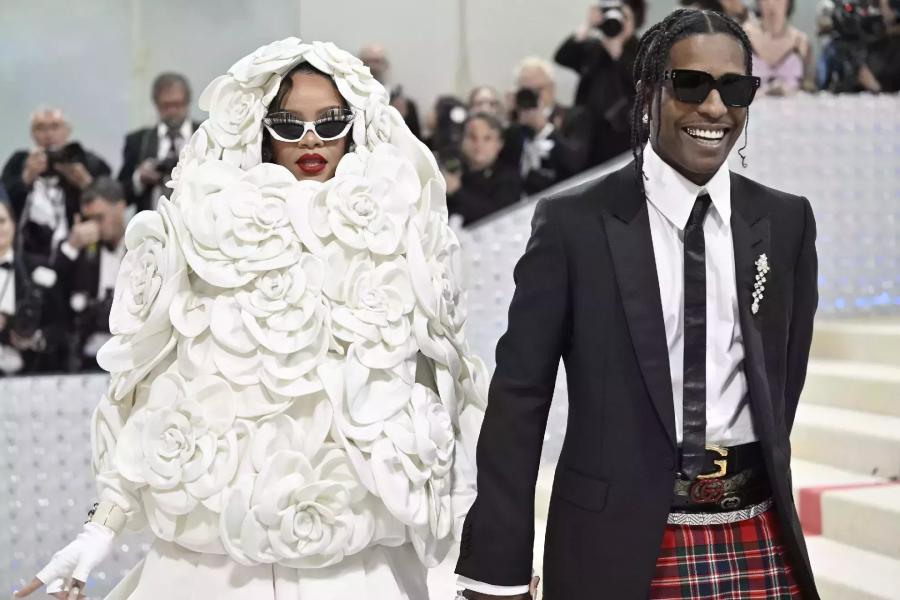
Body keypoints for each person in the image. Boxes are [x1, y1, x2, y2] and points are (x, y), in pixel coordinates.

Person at [15, 38, 486, 600]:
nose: (310, 139)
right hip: (216, 563)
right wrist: (101, 526)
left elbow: (437, 406)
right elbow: (157, 396)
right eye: (288, 124)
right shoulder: (211, 235)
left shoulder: (393, 242)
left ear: (355, 125)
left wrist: (488, 549)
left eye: (330, 121)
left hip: (354, 560)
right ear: (261, 129)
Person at [457, 8, 819, 599]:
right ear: (649, 92)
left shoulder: (786, 221)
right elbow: (520, 400)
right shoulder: (573, 224)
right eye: (691, 84)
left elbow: (785, 381)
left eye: (734, 88)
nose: (714, 107)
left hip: (757, 529)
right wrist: (497, 571)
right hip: (613, 544)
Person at [1, 108, 111, 268]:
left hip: (79, 255)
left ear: (67, 131)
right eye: (41, 128)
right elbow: (4, 202)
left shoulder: (84, 160)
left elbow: (113, 201)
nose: (48, 134)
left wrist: (85, 183)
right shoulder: (19, 162)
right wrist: (26, 178)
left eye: (55, 126)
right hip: (28, 255)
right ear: (32, 134)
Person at [554, 1, 646, 167]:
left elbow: (642, 82)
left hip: (623, 134)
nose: (618, 19)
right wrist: (587, 25)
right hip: (589, 132)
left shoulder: (641, 50)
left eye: (624, 16)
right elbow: (562, 57)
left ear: (634, 21)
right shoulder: (595, 48)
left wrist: (618, 53)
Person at [53, 177, 127, 372]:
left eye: (100, 218)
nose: (94, 226)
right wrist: (72, 245)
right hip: (89, 354)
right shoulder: (82, 250)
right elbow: (52, 286)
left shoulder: (144, 245)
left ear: (120, 208)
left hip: (132, 350)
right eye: (89, 219)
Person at [503, 57, 593, 195]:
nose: (532, 97)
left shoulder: (575, 117)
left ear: (552, 88)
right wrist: (509, 118)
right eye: (525, 91)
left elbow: (575, 162)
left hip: (564, 197)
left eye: (538, 90)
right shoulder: (514, 129)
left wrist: (544, 128)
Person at [118, 73, 201, 213]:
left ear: (187, 102)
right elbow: (119, 195)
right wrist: (139, 178)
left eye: (178, 104)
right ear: (156, 104)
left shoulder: (206, 134)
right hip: (152, 221)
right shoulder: (138, 141)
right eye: (166, 106)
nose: (172, 111)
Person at [0, 193, 62, 375]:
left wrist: (35, 339)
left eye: (2, 221)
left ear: (13, 225)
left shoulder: (37, 267)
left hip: (33, 369)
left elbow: (60, 322)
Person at [447, 113, 522, 227]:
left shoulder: (509, 177)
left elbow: (499, 216)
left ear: (499, 144)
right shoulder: (455, 172)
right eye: (472, 137)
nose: (479, 144)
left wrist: (458, 192)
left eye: (487, 138)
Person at [744, 0, 813, 94]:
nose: (771, 3)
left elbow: (810, 88)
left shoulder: (801, 42)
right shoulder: (745, 36)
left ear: (788, 2)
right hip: (752, 101)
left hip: (792, 102)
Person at [360, 42, 423, 139]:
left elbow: (416, 140)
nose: (373, 66)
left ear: (386, 65)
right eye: (369, 61)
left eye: (377, 61)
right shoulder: (350, 99)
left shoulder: (406, 105)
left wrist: (401, 119)